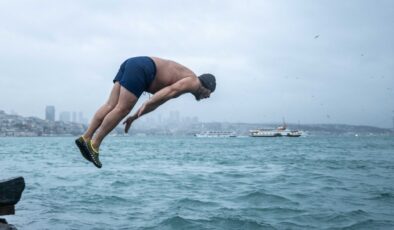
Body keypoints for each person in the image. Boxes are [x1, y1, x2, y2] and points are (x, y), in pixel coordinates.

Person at [75, 56, 216, 168]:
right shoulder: (194, 82)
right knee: (122, 109)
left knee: (110, 105)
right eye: (210, 92)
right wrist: (148, 102)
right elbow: (169, 91)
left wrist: (135, 116)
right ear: (206, 86)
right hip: (143, 68)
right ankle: (95, 145)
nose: (208, 96)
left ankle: (86, 137)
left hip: (132, 63)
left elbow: (160, 101)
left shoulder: (186, 80)